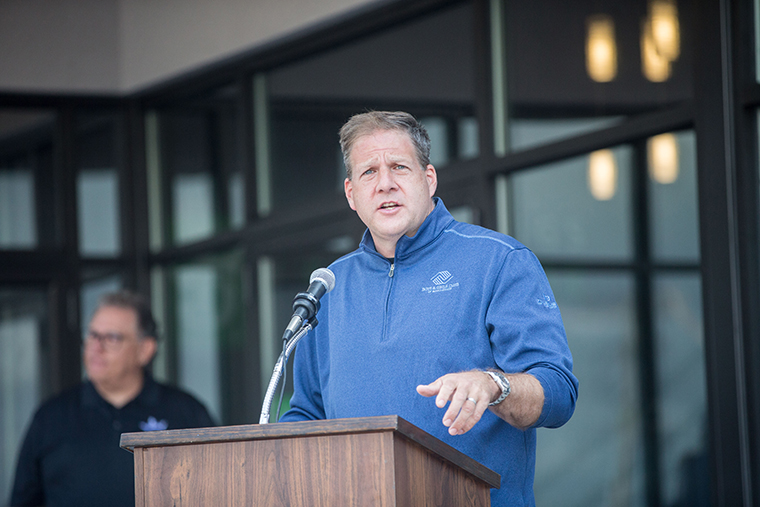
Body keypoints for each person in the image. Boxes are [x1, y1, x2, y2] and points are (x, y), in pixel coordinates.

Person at [280, 111, 579, 506]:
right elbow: (307, 415)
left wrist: (494, 385)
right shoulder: (328, 286)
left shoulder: (498, 261)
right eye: (369, 172)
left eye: (399, 167)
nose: (385, 183)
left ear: (428, 178)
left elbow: (558, 393)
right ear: (351, 194)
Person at [10, 290, 215, 507]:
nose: (96, 348)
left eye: (112, 338)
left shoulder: (186, 412)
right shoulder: (50, 417)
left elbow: (217, 491)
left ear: (145, 350)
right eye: (92, 335)